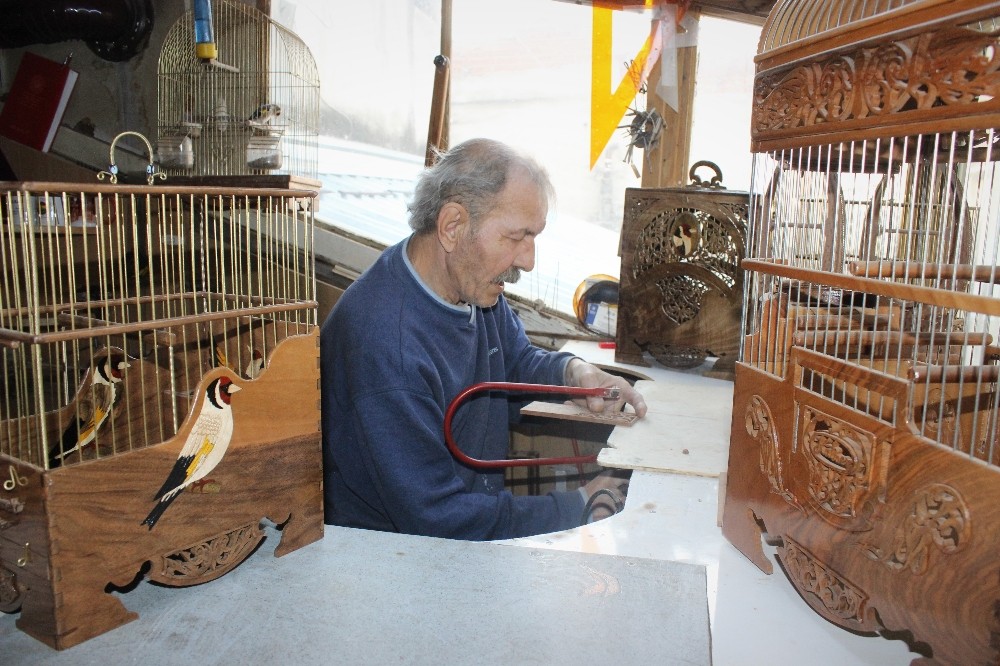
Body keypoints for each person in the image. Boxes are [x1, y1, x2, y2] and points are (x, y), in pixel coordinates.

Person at [320, 137, 647, 540]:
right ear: (453, 226)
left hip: (464, 524)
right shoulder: (387, 346)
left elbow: (515, 362)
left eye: (533, 238)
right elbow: (438, 519)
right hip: (392, 557)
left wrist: (575, 374)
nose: (528, 261)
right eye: (515, 237)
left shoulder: (469, 283)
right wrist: (577, 503)